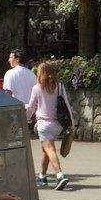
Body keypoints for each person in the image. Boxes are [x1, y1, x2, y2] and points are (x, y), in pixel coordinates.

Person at [25, 61, 74, 189]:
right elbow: (67, 106)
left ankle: (60, 175)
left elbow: (31, 108)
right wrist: (71, 124)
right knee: (45, 150)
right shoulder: (60, 86)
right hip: (58, 124)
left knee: (50, 150)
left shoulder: (37, 88)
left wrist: (25, 118)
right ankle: (42, 176)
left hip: (44, 124)